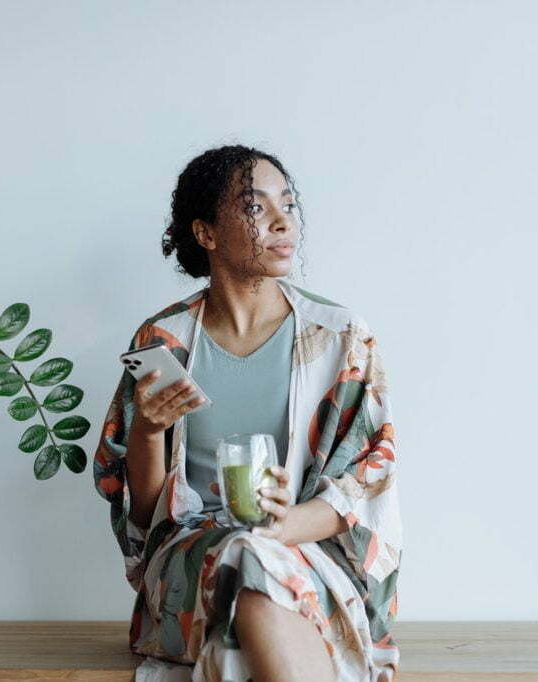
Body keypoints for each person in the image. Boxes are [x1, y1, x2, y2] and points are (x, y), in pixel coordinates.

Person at [93, 145, 403, 682]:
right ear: (206, 233)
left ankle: (225, 654)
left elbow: (368, 482)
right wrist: (147, 429)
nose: (284, 220)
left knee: (255, 567)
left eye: (287, 202)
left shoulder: (340, 338)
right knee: (246, 555)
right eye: (256, 207)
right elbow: (144, 518)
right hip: (191, 565)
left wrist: (285, 525)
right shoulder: (163, 342)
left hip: (308, 553)